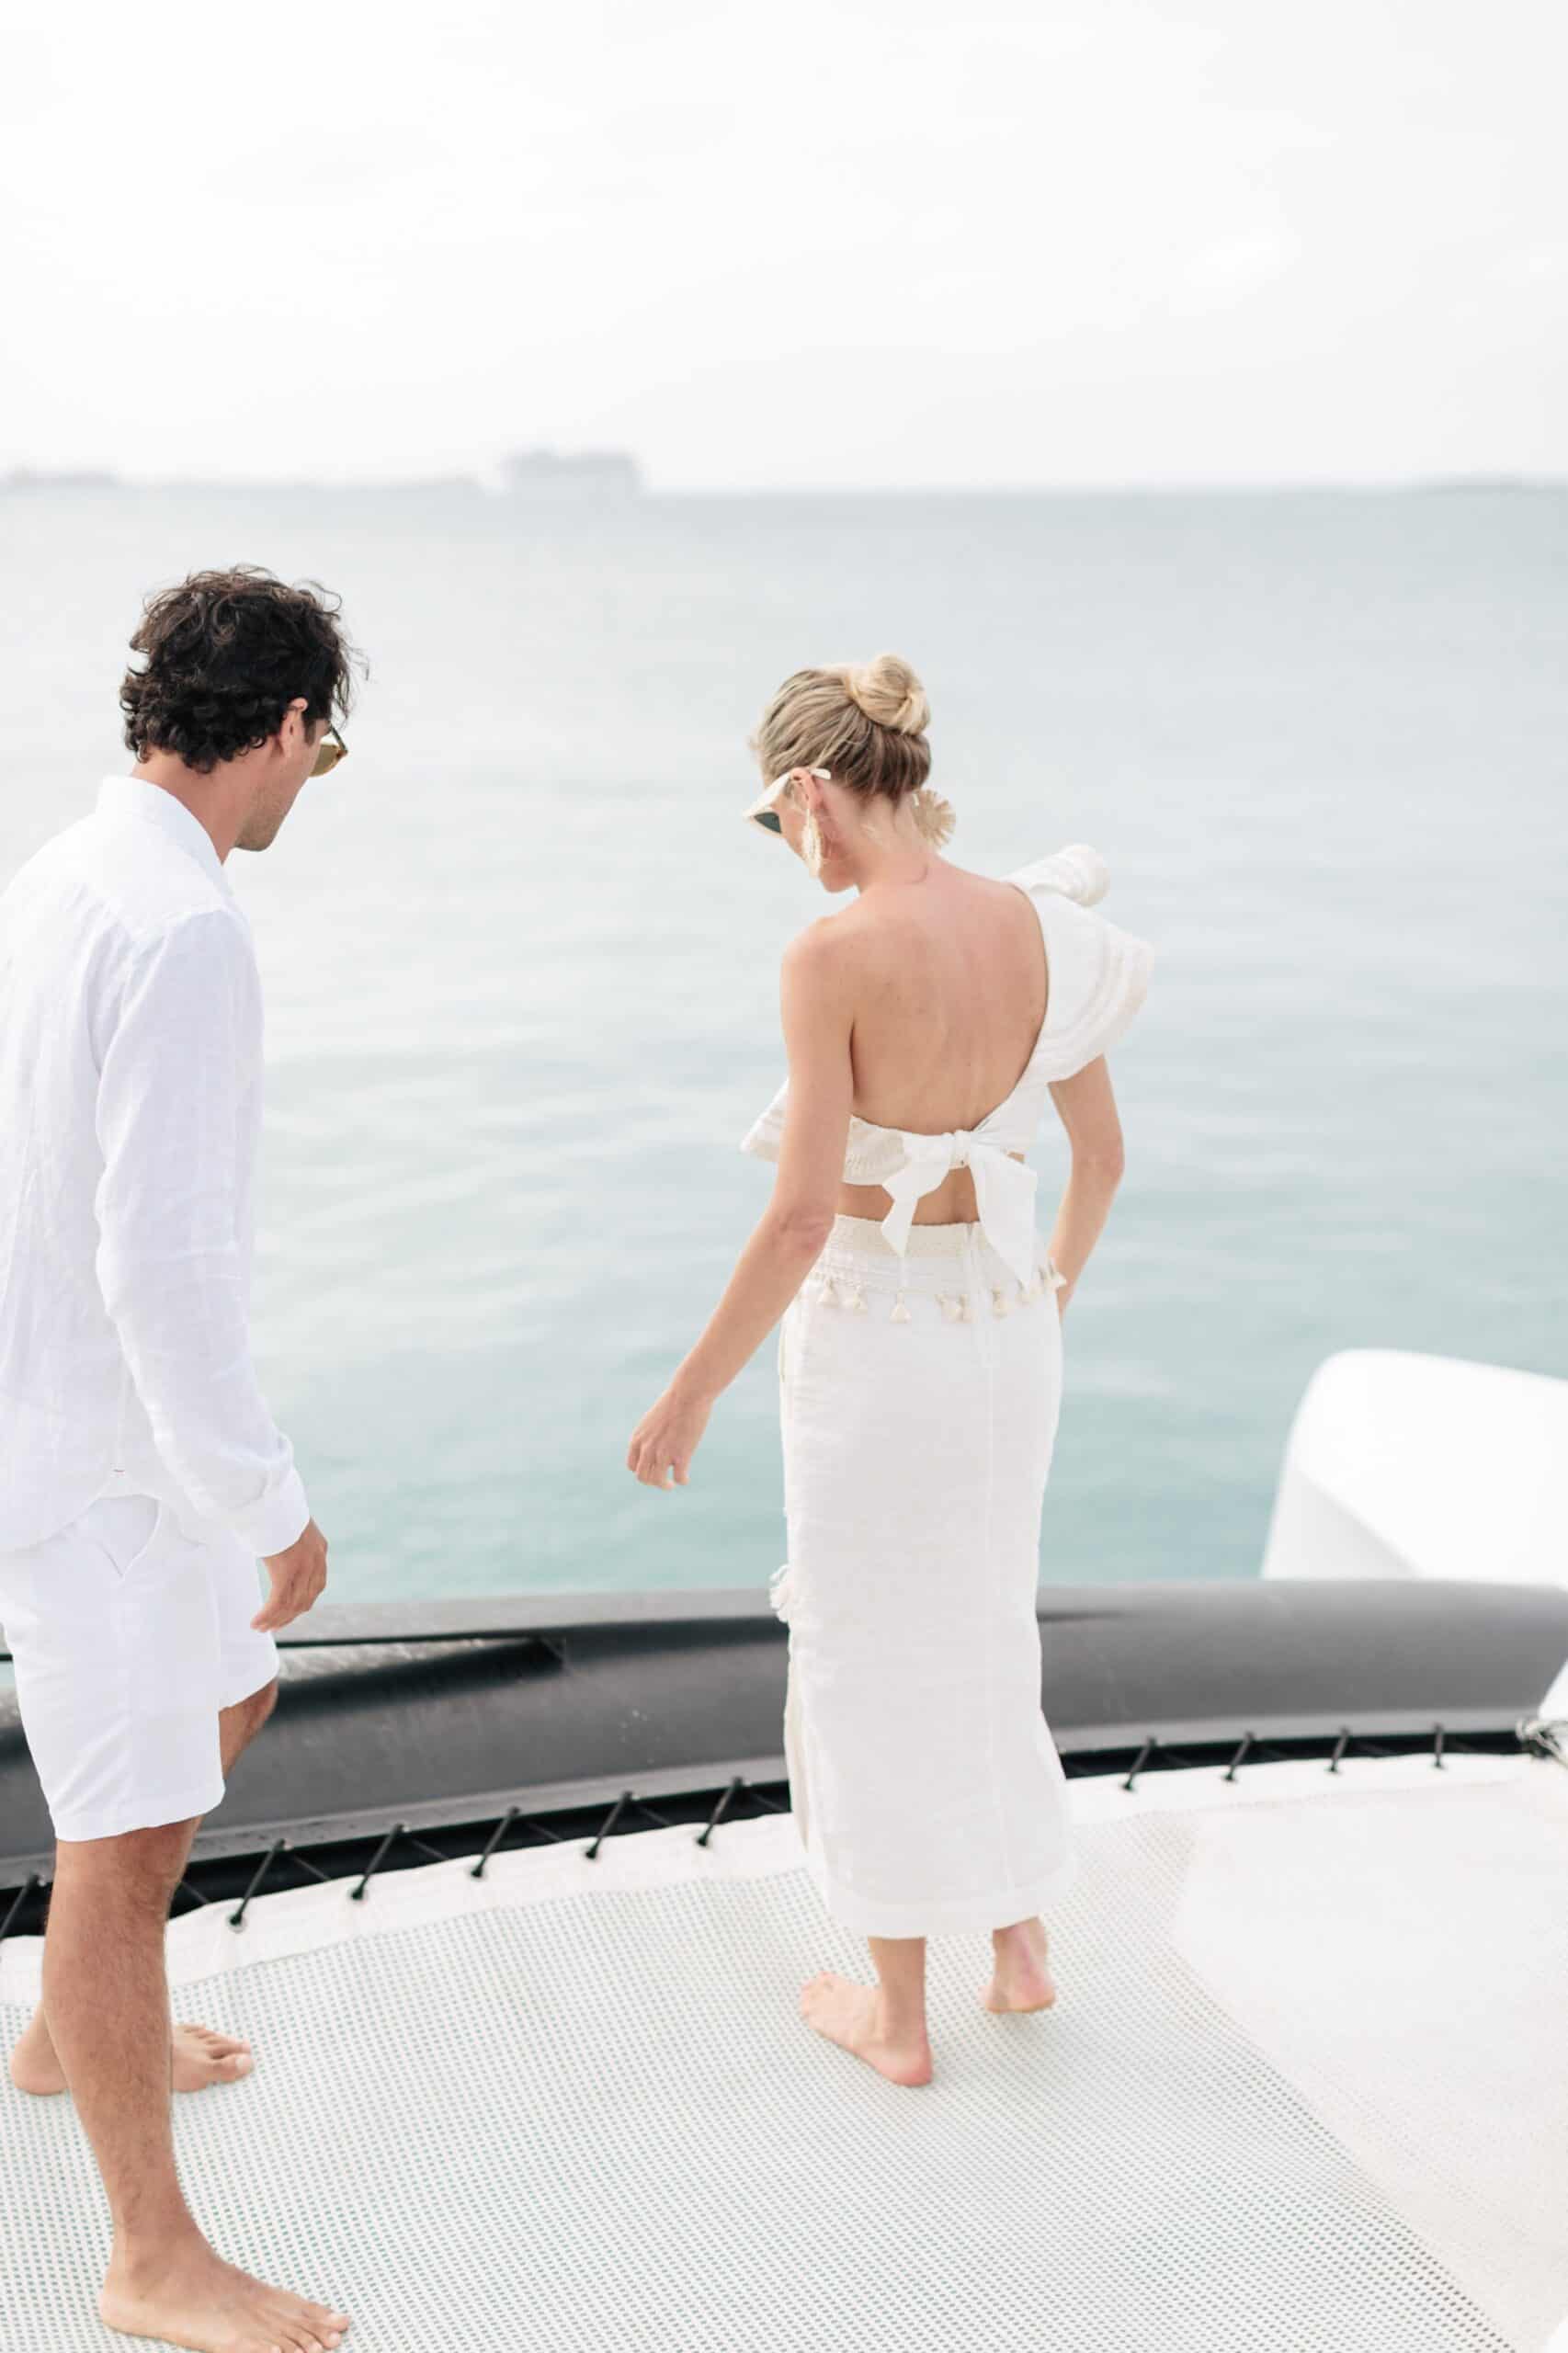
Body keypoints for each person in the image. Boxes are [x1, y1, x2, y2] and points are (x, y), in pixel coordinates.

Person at [628, 654, 1152, 2085]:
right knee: (984, 1629)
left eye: (773, 825)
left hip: (874, 1333)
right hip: (1005, 1329)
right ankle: (1019, 1949)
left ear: (810, 794)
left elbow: (802, 1216)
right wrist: (1039, 1291)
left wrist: (693, 1387)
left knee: (868, 1654)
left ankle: (898, 2014)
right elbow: (1097, 1158)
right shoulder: (1046, 930)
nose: (783, 859)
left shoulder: (830, 956)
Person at [0, 568, 356, 2352]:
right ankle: (150, 2253)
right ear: (284, 727)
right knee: (121, 1850)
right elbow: (165, 1257)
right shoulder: (186, 928)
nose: (315, 778)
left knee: (237, 1687)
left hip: (68, 1422)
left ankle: (75, 2030)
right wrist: (267, 1497)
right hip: (106, 1465)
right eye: (326, 746)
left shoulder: (64, 872)